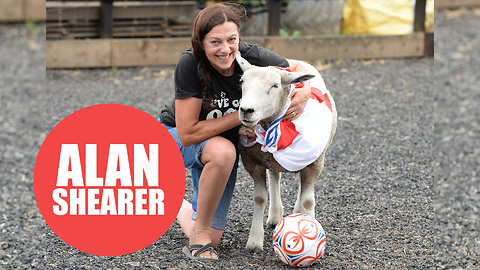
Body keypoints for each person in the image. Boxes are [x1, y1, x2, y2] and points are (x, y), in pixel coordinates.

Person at [158, 3, 312, 261]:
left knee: (216, 238)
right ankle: (199, 239)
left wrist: (305, 89)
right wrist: (241, 118)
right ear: (200, 42)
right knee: (224, 151)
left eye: (232, 40)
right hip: (175, 136)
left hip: (218, 146)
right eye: (215, 42)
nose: (226, 49)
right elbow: (187, 134)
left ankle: (167, 197)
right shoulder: (189, 63)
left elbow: (296, 68)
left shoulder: (253, 56)